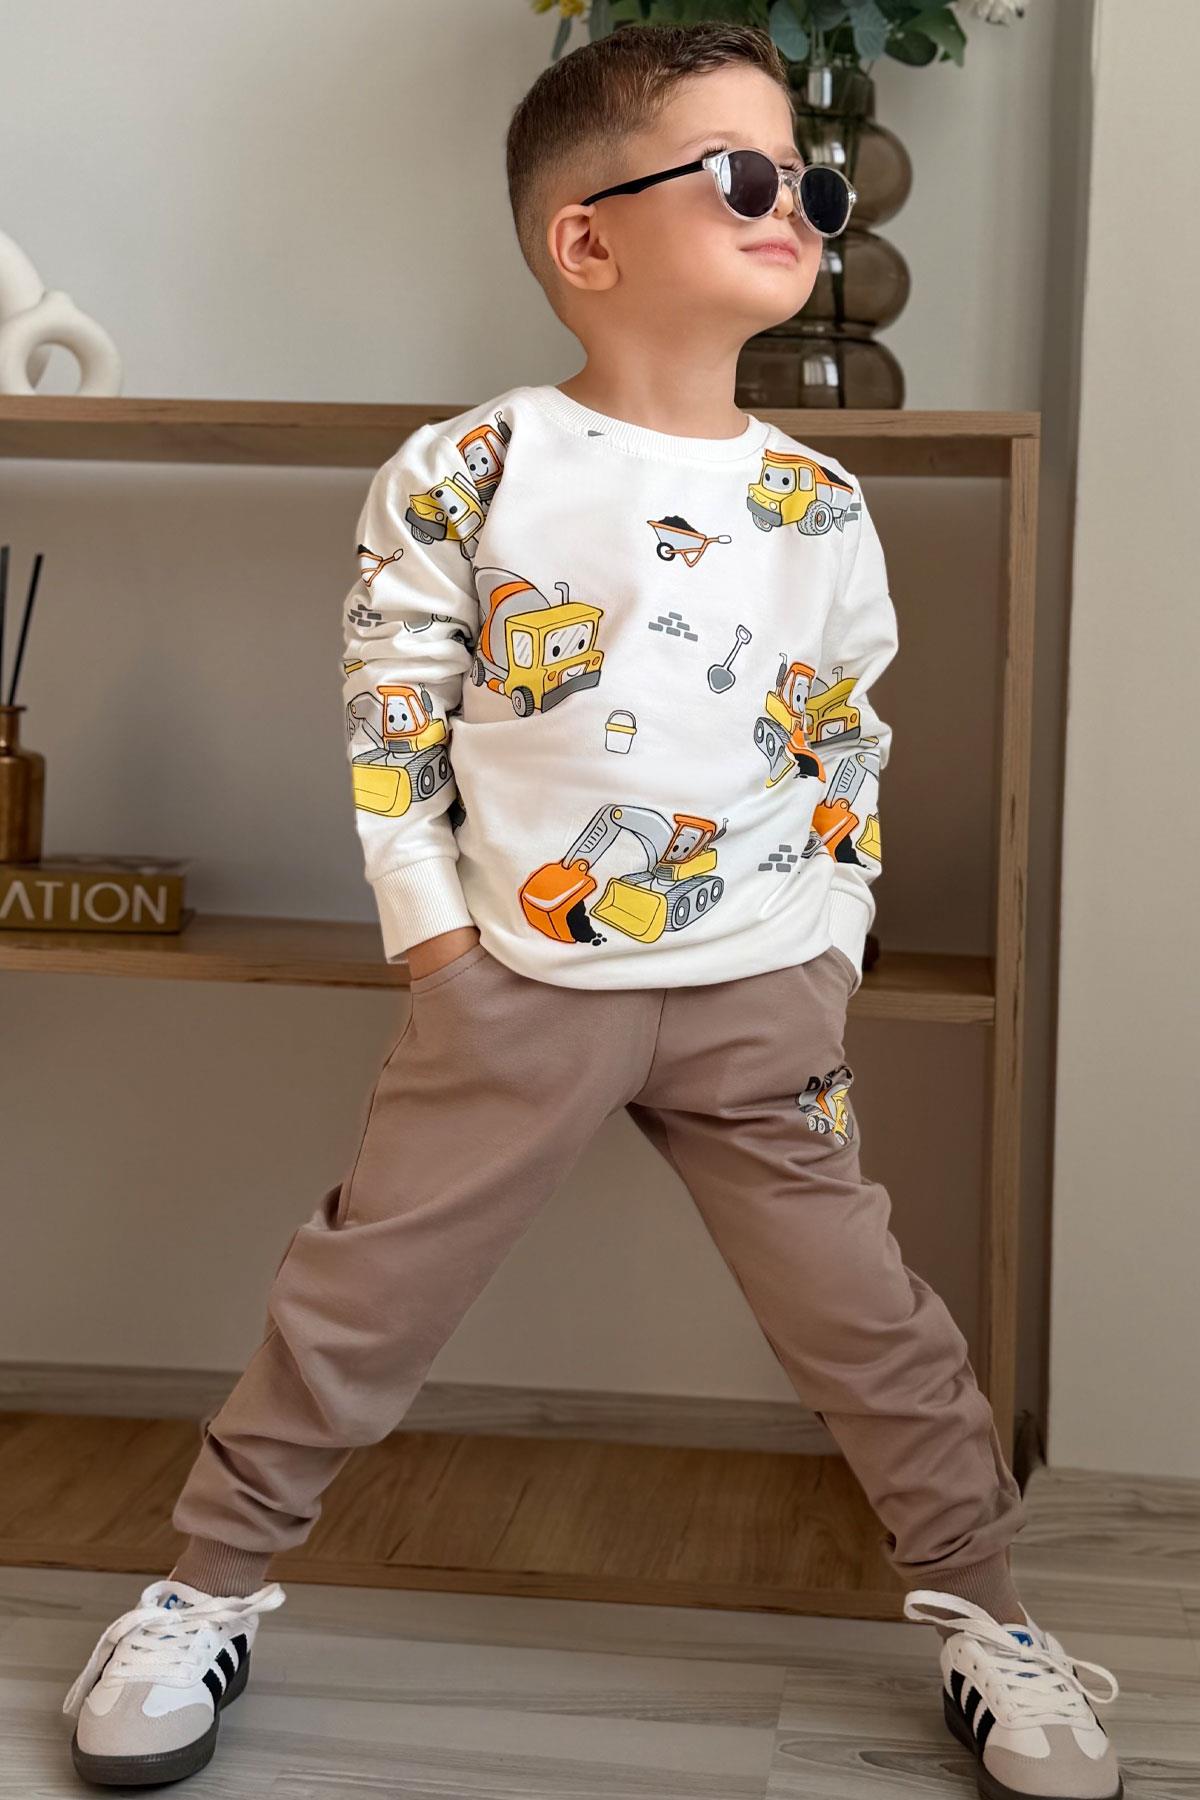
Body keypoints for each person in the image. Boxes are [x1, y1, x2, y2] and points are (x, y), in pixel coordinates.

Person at [60, 22, 1123, 1799]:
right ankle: (202, 1589)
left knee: (866, 1315)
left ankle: (990, 1614)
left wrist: (834, 934)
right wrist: (434, 938)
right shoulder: (470, 467)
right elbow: (393, 715)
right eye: (749, 174)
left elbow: (845, 738)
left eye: (814, 186)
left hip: (764, 991)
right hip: (518, 981)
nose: (800, 207)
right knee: (365, 1294)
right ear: (588, 237)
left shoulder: (817, 503)